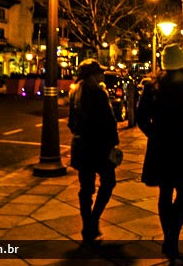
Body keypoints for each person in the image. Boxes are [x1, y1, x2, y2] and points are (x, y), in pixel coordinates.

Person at [136, 44, 183, 258]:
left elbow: (141, 117)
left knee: (165, 192)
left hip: (160, 145)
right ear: (182, 63)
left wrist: (153, 133)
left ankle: (169, 235)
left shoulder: (152, 87)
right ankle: (172, 236)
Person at [68, 59, 119, 243]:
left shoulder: (75, 93)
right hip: (100, 147)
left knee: (86, 188)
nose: (102, 75)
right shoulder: (99, 93)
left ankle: (86, 225)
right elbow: (109, 122)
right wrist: (114, 144)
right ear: (92, 76)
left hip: (82, 146)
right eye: (99, 72)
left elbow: (71, 123)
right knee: (108, 183)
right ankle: (93, 220)